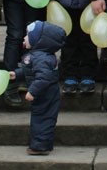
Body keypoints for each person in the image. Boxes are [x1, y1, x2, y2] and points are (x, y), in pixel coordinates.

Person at [9, 21, 66, 156]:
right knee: (41, 117)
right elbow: (29, 70)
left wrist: (33, 91)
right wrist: (16, 74)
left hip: (46, 94)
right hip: (43, 92)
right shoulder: (36, 55)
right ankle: (43, 143)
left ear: (39, 40)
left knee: (43, 119)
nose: (24, 38)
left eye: (28, 35)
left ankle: (40, 146)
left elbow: (43, 77)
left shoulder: (42, 58)